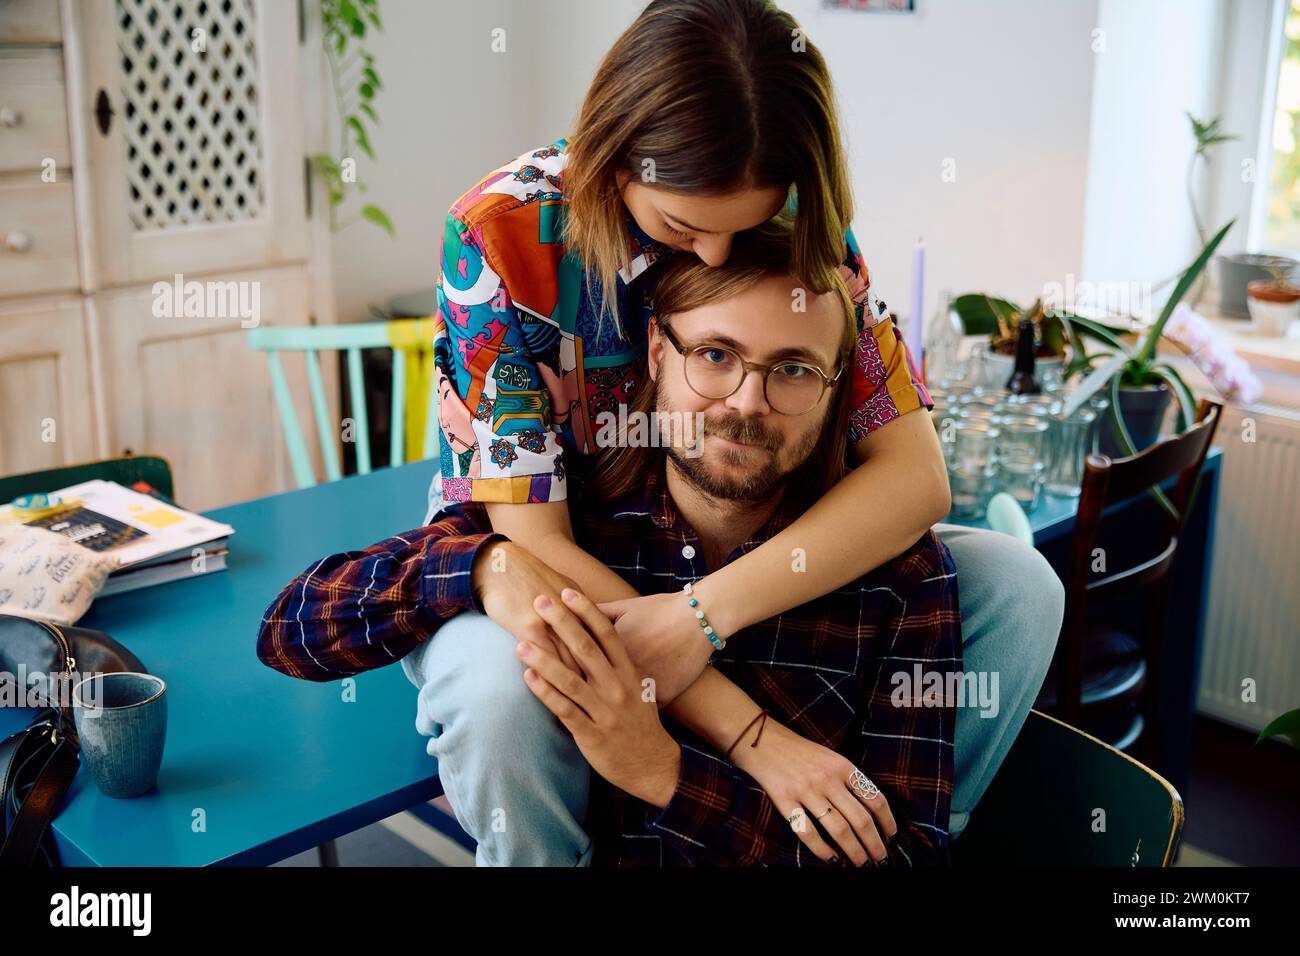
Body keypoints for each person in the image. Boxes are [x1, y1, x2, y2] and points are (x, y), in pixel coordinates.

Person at [259, 226, 960, 865]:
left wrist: (661, 771)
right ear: (657, 351)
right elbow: (293, 629)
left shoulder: (904, 577)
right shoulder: (571, 521)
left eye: (795, 370)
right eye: (715, 356)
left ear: (840, 391)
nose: (748, 402)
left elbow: (907, 858)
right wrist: (486, 566)